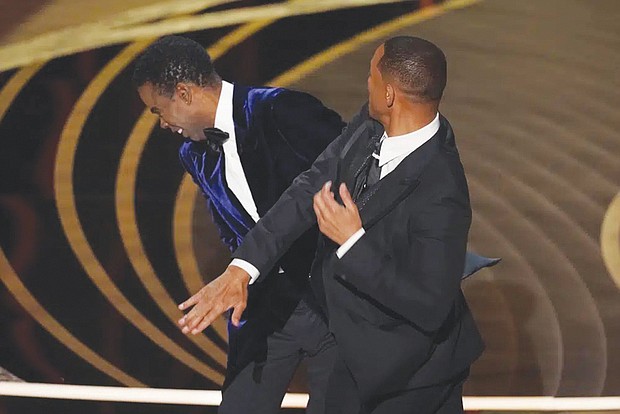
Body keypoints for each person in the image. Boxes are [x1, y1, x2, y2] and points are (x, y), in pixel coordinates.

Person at [178, 36, 487, 414]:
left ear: (390, 94)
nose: (366, 83)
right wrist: (243, 268)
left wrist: (353, 242)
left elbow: (429, 305)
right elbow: (309, 186)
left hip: (410, 378)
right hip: (349, 355)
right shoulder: (371, 124)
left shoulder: (443, 189)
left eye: (371, 75)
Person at [133, 35, 345, 414]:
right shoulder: (192, 154)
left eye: (157, 110)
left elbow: (356, 177)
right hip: (265, 307)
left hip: (333, 304)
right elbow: (232, 230)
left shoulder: (281, 110)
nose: (162, 124)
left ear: (183, 93)